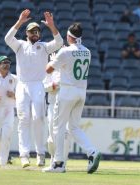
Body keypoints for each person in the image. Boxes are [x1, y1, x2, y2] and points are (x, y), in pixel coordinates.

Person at [4, 9, 63, 168]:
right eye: (31, 31)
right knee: (24, 119)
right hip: (22, 85)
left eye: (37, 31)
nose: (35, 33)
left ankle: (40, 153)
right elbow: (8, 38)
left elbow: (59, 43)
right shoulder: (20, 45)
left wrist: (51, 26)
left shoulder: (44, 47)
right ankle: (24, 155)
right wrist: (19, 22)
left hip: (38, 85)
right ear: (27, 34)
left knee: (38, 118)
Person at [43, 23, 101, 173]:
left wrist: (53, 59)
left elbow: (48, 69)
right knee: (74, 127)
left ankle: (59, 163)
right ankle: (92, 151)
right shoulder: (87, 51)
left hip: (67, 92)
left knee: (59, 128)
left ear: (69, 36)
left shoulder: (65, 52)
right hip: (81, 92)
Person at [43, 53, 71, 166]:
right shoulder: (50, 70)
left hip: (66, 104)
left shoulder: (68, 68)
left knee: (65, 134)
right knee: (51, 136)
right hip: (52, 104)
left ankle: (62, 160)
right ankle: (53, 157)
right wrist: (52, 86)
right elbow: (43, 86)